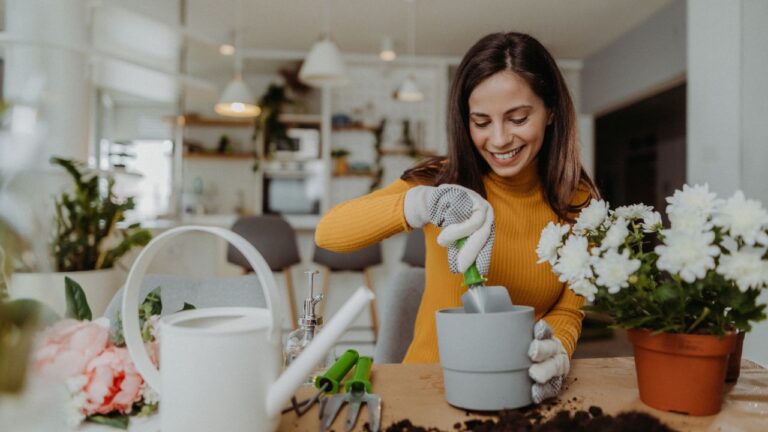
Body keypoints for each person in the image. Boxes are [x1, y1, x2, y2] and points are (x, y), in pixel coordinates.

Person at [315, 31, 599, 403]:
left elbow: (567, 308)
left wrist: (556, 349)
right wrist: (421, 204)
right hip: (426, 387)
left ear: (550, 113)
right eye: (481, 122)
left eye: (517, 118)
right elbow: (329, 233)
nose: (498, 140)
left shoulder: (577, 200)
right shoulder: (442, 182)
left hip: (519, 392)